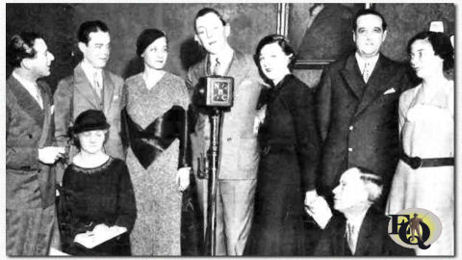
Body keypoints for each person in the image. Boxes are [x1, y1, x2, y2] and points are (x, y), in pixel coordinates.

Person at [315, 8, 412, 207]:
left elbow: (403, 129)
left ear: (384, 35)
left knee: (374, 234)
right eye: (362, 31)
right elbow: (322, 125)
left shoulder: (400, 73)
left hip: (379, 173)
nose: (369, 37)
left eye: (375, 31)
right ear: (353, 36)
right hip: (339, 171)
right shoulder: (333, 72)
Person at [187, 7, 262, 255]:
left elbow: (282, 93)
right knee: (211, 233)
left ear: (227, 29)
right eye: (202, 31)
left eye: (214, 28)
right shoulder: (194, 72)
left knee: (236, 238)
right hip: (205, 166)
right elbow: (191, 119)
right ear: (197, 38)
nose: (209, 35)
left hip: (239, 164)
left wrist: (262, 116)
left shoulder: (252, 64)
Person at [244, 34, 321, 256]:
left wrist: (310, 188)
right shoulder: (271, 92)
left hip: (287, 177)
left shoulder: (298, 91)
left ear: (289, 57)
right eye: (261, 57)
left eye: (273, 56)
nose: (266, 62)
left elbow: (309, 143)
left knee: (279, 238)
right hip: (270, 175)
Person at [122, 29, 191, 255]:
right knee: (139, 227)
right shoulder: (128, 85)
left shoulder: (177, 84)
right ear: (142, 53)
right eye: (153, 49)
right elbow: (123, 128)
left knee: (167, 230)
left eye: (164, 48)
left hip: (167, 164)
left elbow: (185, 127)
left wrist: (184, 166)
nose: (161, 54)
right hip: (135, 166)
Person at [386, 31, 454, 255]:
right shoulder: (407, 97)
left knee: (437, 246)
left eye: (421, 54)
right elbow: (401, 141)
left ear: (441, 56)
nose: (413, 60)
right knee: (406, 247)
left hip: (439, 185)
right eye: (411, 55)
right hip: (405, 182)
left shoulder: (455, 93)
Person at [6, 32, 65, 255]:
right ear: (27, 61)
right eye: (45, 53)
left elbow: (48, 135)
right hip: (18, 198)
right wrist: (37, 155)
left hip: (47, 192)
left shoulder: (45, 90)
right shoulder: (6, 95)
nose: (52, 57)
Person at [58, 109, 136, 256]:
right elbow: (66, 217)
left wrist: (111, 230)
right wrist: (78, 235)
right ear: (77, 136)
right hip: (82, 245)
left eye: (98, 134)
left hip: (114, 242)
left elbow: (128, 212)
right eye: (87, 135)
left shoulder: (118, 168)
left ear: (105, 135)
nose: (93, 140)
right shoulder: (71, 172)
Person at [54, 20, 125, 172]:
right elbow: (59, 134)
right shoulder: (67, 85)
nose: (105, 52)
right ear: (82, 47)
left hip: (115, 166)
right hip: (81, 168)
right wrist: (65, 173)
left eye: (107, 46)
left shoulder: (118, 82)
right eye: (98, 46)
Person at [309, 167, 415, 256]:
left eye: (344, 185)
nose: (334, 190)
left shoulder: (394, 231)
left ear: (364, 194)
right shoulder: (334, 225)